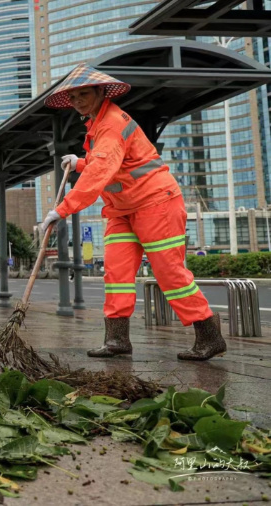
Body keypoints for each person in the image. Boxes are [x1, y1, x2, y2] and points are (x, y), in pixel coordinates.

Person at [39, 64, 224, 361]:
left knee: (169, 273)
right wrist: (79, 163)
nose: (77, 102)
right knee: (116, 274)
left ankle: (209, 335)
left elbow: (102, 169)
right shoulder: (97, 124)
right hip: (121, 210)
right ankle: (116, 339)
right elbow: (113, 163)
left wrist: (63, 209)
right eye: (72, 98)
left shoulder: (111, 123)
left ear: (100, 92)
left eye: (83, 94)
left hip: (155, 204)